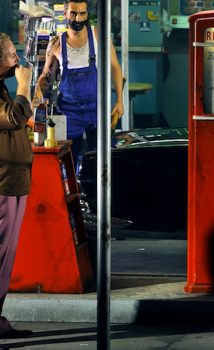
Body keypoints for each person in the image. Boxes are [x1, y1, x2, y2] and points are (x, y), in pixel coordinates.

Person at [34, 0, 124, 169]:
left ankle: (98, 194)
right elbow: (46, 75)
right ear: (65, 14)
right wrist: (38, 93)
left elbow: (116, 69)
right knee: (67, 160)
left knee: (102, 158)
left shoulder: (98, 35)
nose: (78, 18)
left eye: (82, 13)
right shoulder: (56, 44)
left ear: (87, 15)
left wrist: (119, 100)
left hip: (97, 109)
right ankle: (74, 194)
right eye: (74, 13)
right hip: (69, 111)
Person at [0, 33, 33, 338]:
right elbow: (13, 118)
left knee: (6, 261)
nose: (17, 60)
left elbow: (20, 115)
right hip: (3, 183)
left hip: (15, 181)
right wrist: (23, 86)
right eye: (11, 55)